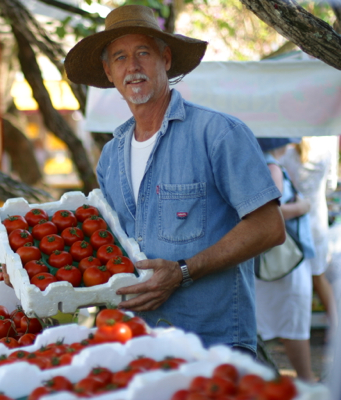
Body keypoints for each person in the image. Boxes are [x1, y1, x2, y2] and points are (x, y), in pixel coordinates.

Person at [64, 5, 285, 355]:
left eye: (143, 53)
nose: (132, 67)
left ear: (165, 59)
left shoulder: (218, 133)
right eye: (120, 57)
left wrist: (184, 271)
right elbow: (117, 245)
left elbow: (270, 227)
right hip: (138, 343)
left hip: (213, 343)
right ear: (108, 71)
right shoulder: (111, 155)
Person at [255, 138, 316, 382]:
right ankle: (306, 380)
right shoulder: (272, 166)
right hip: (285, 263)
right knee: (293, 320)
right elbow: (273, 211)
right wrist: (302, 207)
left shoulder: (262, 163)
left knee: (285, 320)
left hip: (277, 260)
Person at [280, 136, 339, 329]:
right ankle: (336, 325)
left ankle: (292, 330)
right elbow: (331, 184)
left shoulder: (286, 150)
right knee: (318, 277)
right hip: (317, 219)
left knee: (294, 281)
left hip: (294, 223)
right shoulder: (327, 144)